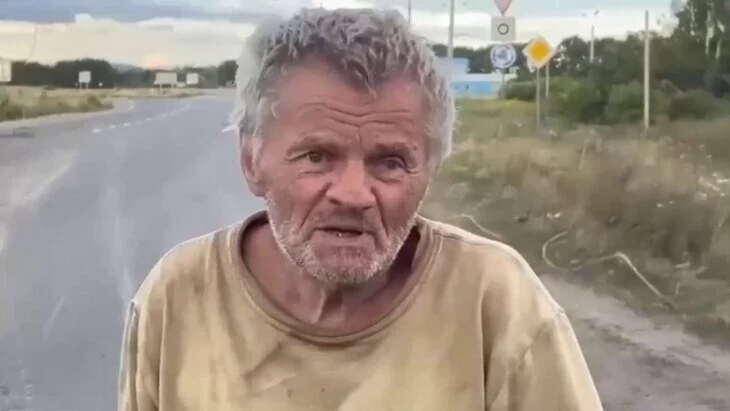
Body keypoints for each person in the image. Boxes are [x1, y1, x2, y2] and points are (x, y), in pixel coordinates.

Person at [118, 7, 604, 411]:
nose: (353, 195)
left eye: (390, 163)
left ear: (429, 171)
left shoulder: (496, 303)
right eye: (316, 156)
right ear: (251, 160)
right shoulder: (179, 297)